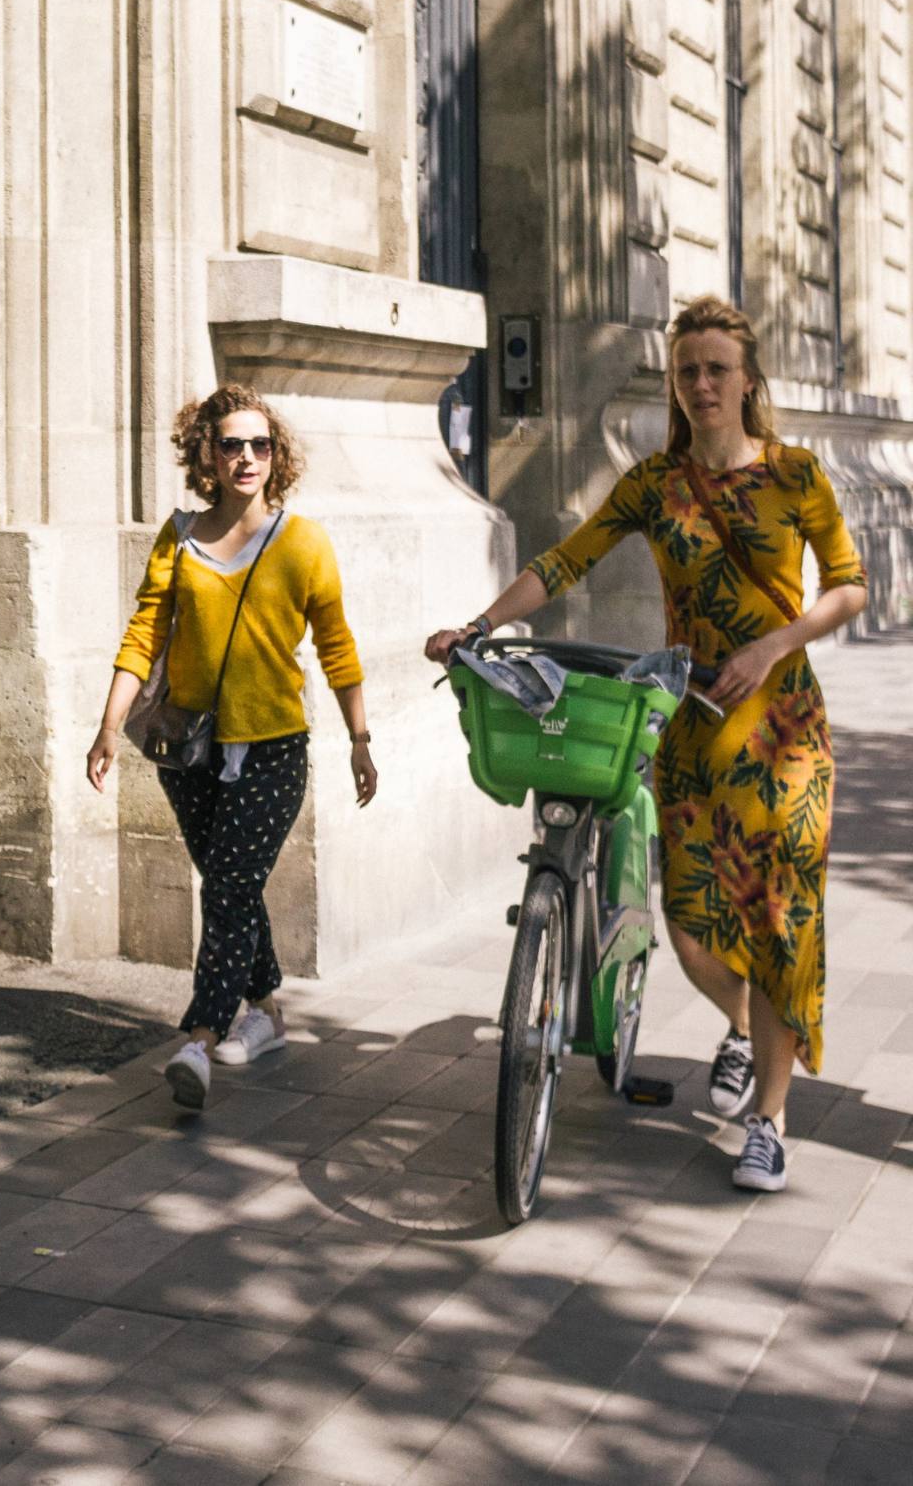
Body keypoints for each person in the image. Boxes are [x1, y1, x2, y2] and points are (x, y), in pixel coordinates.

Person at [425, 295, 867, 1193]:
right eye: (689, 371)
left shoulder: (797, 475)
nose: (703, 384)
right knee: (694, 932)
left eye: (718, 370)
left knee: (780, 927)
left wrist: (773, 643)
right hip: (692, 729)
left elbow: (849, 587)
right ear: (676, 383)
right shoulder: (653, 485)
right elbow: (564, 562)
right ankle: (743, 1031)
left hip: (784, 733)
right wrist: (474, 624)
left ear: (748, 382)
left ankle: (770, 1123)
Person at [86, 385, 378, 1110]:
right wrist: (106, 727)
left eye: (260, 445)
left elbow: (338, 649)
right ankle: (269, 1013)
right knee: (232, 884)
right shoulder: (179, 536)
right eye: (231, 445)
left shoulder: (303, 542)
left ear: (275, 457)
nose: (246, 457)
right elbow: (144, 633)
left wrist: (360, 740)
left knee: (227, 887)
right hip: (191, 747)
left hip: (275, 748)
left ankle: (201, 1038)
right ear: (206, 456)